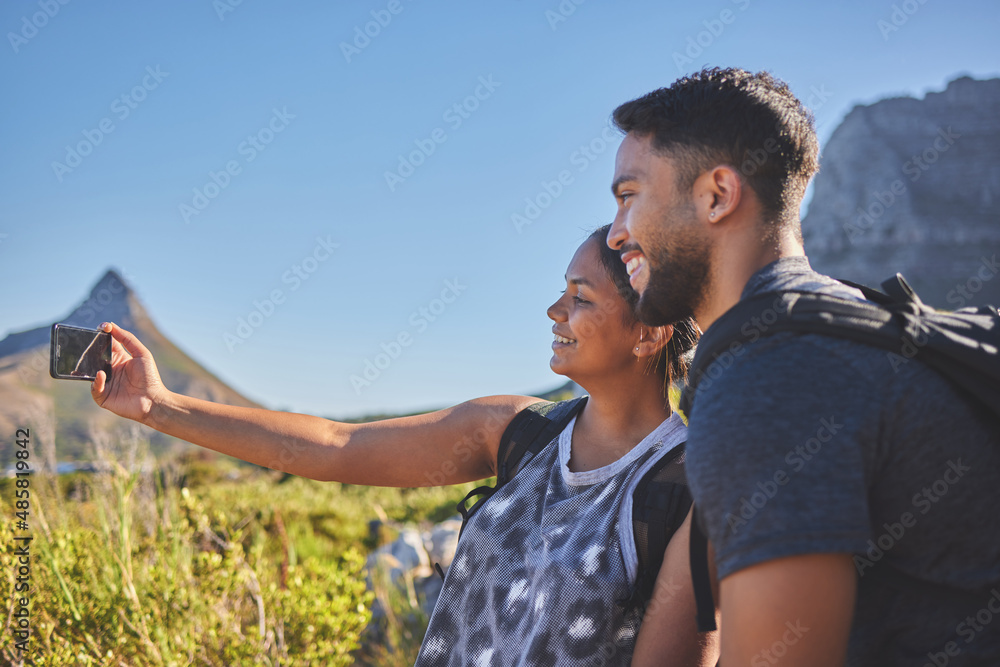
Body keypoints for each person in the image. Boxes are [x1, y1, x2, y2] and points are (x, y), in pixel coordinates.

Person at [91, 226, 718, 666]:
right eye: (562, 288)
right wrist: (160, 407)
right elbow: (336, 447)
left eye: (581, 297)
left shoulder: (687, 489)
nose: (554, 309)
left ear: (649, 334)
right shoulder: (518, 431)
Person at [606, 66, 1000, 666]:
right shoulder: (855, 318)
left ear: (716, 195)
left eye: (629, 196)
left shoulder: (766, 377)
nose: (615, 234)